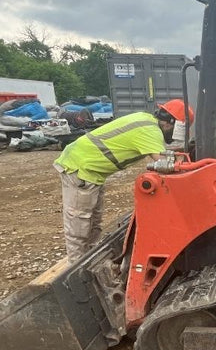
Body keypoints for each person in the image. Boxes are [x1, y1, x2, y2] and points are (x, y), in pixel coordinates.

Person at [53, 98, 194, 259]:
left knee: (94, 221)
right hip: (80, 167)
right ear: (171, 124)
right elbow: (166, 165)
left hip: (90, 169)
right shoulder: (150, 132)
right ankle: (76, 266)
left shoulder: (146, 121)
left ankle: (89, 258)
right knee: (80, 222)